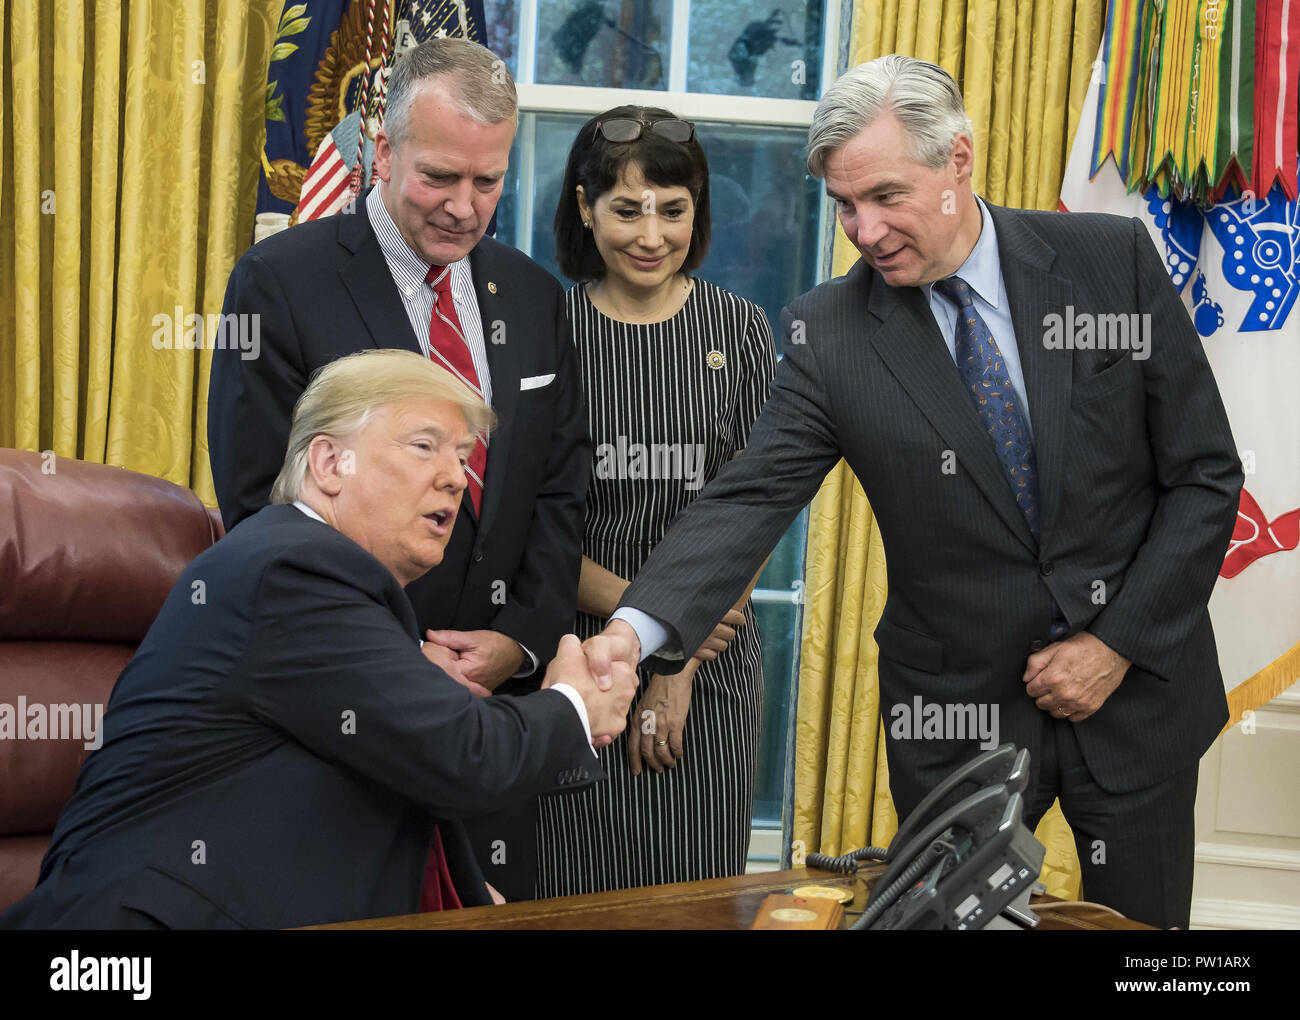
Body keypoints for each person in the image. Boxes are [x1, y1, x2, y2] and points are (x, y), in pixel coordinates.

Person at [581, 56, 1243, 930]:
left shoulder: (1106, 262)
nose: (864, 228)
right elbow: (746, 501)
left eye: (886, 196)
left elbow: (1203, 475)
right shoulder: (831, 332)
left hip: (1138, 698)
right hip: (956, 712)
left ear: (958, 161)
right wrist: (631, 636)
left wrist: (1115, 643)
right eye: (844, 205)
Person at [0, 350, 636, 930]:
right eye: (425, 446)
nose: (455, 478)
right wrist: (575, 704)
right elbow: (466, 757)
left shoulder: (332, 589)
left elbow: (403, 780)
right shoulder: (291, 570)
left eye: (465, 459)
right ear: (330, 463)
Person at [207, 37, 589, 899]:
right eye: (439, 177)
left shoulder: (532, 296)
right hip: (341, 707)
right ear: (382, 152)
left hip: (495, 715)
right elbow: (259, 500)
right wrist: (388, 652)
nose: (464, 206)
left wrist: (519, 643)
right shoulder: (280, 280)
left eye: (487, 182)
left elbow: (560, 486)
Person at [532, 107, 777, 895]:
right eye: (627, 209)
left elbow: (752, 513)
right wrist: (651, 639)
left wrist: (679, 658)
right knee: (568, 896)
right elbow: (529, 525)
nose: (651, 234)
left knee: (690, 896)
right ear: (583, 207)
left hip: (711, 666)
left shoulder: (739, 331)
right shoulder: (544, 330)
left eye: (673, 210)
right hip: (574, 655)